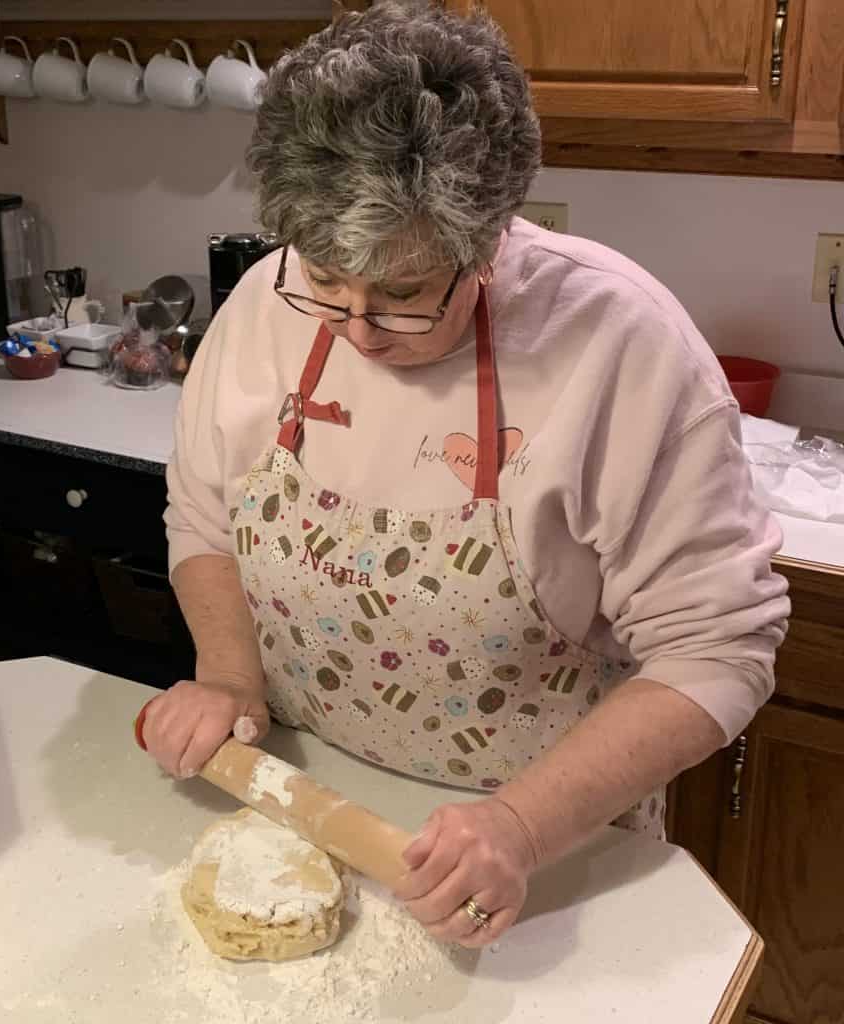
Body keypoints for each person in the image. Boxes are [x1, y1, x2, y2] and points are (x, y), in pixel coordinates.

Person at [139, 1, 789, 948]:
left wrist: (520, 827)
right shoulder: (258, 308)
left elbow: (718, 650)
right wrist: (231, 680)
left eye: (403, 294)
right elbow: (203, 519)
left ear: (488, 244)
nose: (357, 331)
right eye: (323, 279)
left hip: (542, 863)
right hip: (304, 806)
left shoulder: (620, 349)